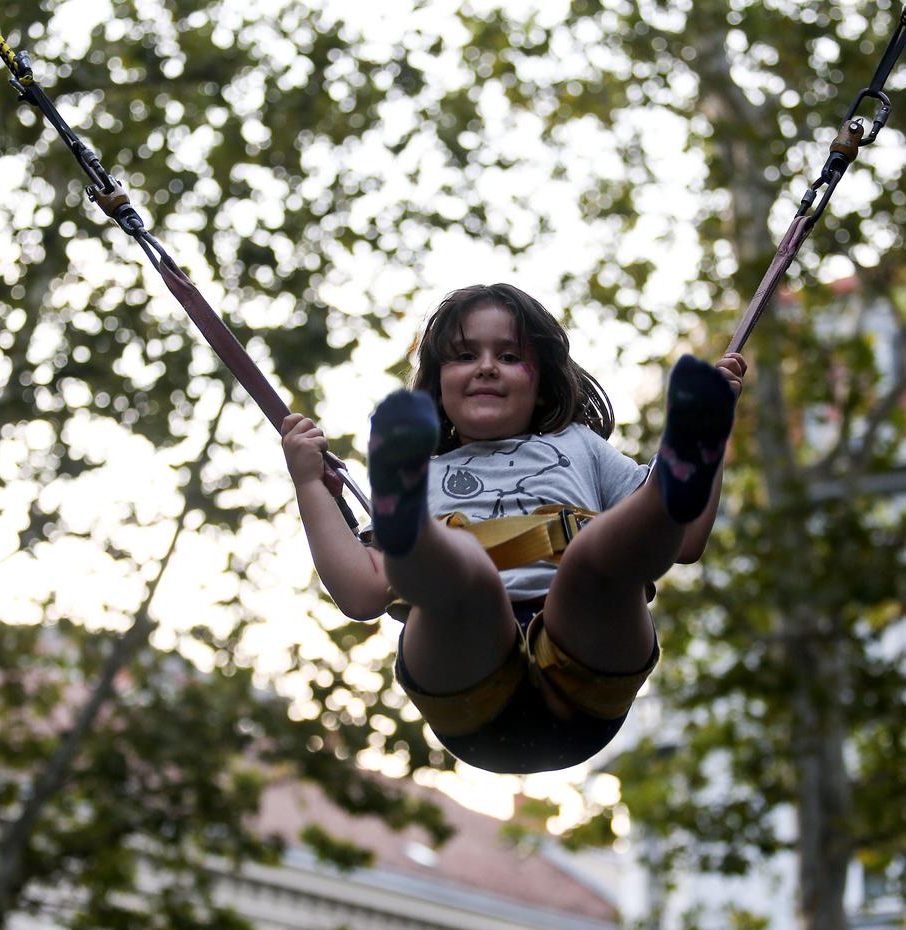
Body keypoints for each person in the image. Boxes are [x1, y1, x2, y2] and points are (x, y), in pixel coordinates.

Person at [281, 284, 745, 773]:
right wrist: (309, 482)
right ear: (439, 383)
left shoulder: (579, 446)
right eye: (464, 355)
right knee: (463, 575)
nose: (486, 366)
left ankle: (676, 471)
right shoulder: (428, 472)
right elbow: (361, 594)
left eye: (508, 355)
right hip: (470, 683)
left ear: (541, 381)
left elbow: (686, 541)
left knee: (594, 560)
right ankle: (423, 545)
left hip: (583, 655)